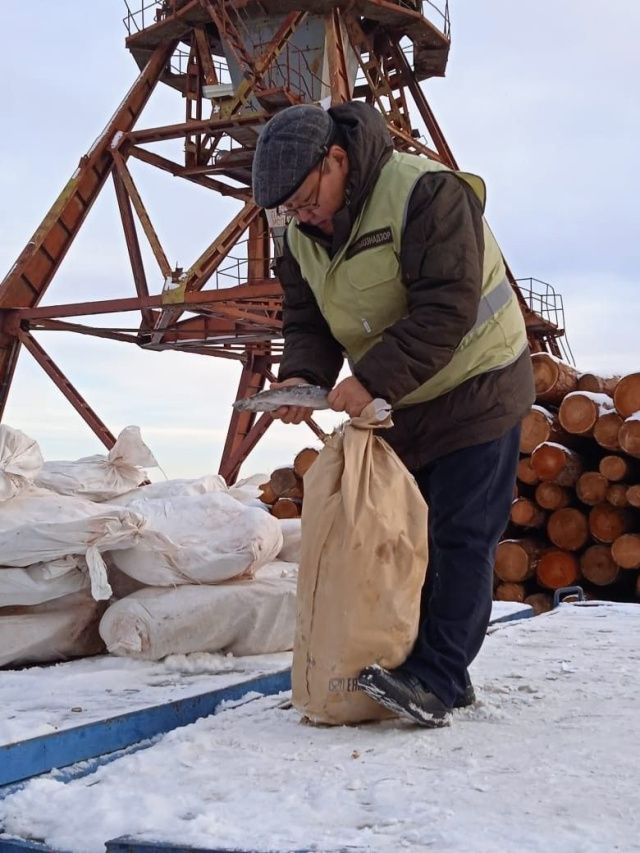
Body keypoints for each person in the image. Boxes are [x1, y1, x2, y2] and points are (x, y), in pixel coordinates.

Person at [251, 101, 535, 728]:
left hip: (478, 384)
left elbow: (447, 307)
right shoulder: (297, 235)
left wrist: (371, 379)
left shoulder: (425, 193)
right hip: (405, 401)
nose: (301, 215)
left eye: (306, 199)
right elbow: (307, 322)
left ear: (336, 159)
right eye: (289, 208)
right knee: (408, 541)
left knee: (461, 538)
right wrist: (303, 376)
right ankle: (424, 665)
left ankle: (438, 680)